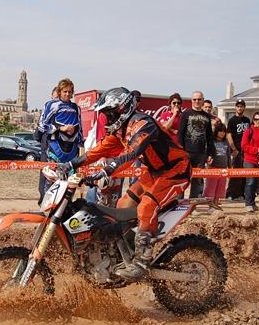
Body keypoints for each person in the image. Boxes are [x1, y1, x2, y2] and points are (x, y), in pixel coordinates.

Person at [58, 87, 190, 280]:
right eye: (105, 114)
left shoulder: (143, 124)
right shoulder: (122, 130)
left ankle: (142, 262)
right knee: (123, 205)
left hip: (176, 170)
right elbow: (99, 150)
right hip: (155, 172)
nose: (107, 118)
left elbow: (131, 154)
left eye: (109, 113)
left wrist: (105, 171)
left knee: (147, 206)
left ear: (123, 109)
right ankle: (124, 253)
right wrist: (70, 164)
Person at [177, 91, 215, 199]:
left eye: (199, 99)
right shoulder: (186, 114)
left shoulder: (206, 116)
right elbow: (180, 133)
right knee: (182, 178)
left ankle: (192, 205)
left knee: (197, 181)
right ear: (191, 100)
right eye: (194, 99)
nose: (197, 101)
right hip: (186, 152)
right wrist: (181, 151)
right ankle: (179, 204)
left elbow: (209, 137)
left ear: (203, 100)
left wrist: (210, 153)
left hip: (201, 153)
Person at [38, 78, 83, 168]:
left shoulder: (76, 108)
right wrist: (60, 128)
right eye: (65, 91)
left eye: (70, 92)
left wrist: (81, 145)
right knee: (53, 177)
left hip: (72, 149)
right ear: (59, 92)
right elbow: (41, 125)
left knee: (71, 179)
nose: (67, 94)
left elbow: (81, 129)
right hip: (55, 147)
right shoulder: (51, 105)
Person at [200, 123, 230, 215]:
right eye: (220, 131)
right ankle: (210, 206)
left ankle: (216, 205)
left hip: (223, 168)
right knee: (211, 187)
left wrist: (229, 166)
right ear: (216, 131)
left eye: (224, 131)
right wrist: (207, 160)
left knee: (220, 188)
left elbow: (228, 155)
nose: (222, 133)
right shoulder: (211, 142)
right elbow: (206, 153)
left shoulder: (226, 142)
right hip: (213, 167)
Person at [35, 86, 59, 205]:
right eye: (55, 98)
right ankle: (43, 201)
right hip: (46, 148)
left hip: (60, 151)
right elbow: (39, 130)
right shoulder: (48, 109)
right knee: (45, 177)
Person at [225, 99, 250, 201]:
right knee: (235, 172)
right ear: (235, 107)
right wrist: (234, 149)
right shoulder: (232, 120)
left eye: (241, 106)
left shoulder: (247, 120)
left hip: (246, 150)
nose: (240, 108)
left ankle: (241, 193)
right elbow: (229, 135)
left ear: (244, 107)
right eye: (238, 106)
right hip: (237, 149)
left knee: (245, 173)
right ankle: (231, 194)